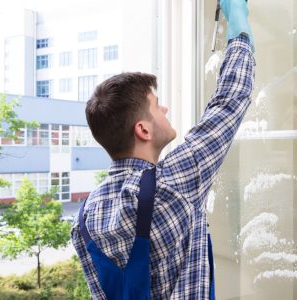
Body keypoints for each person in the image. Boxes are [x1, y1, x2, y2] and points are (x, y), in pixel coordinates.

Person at [71, 0, 254, 298]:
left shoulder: (85, 218)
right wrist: (240, 30)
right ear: (142, 129)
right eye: (157, 106)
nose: (166, 108)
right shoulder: (171, 185)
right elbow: (228, 102)